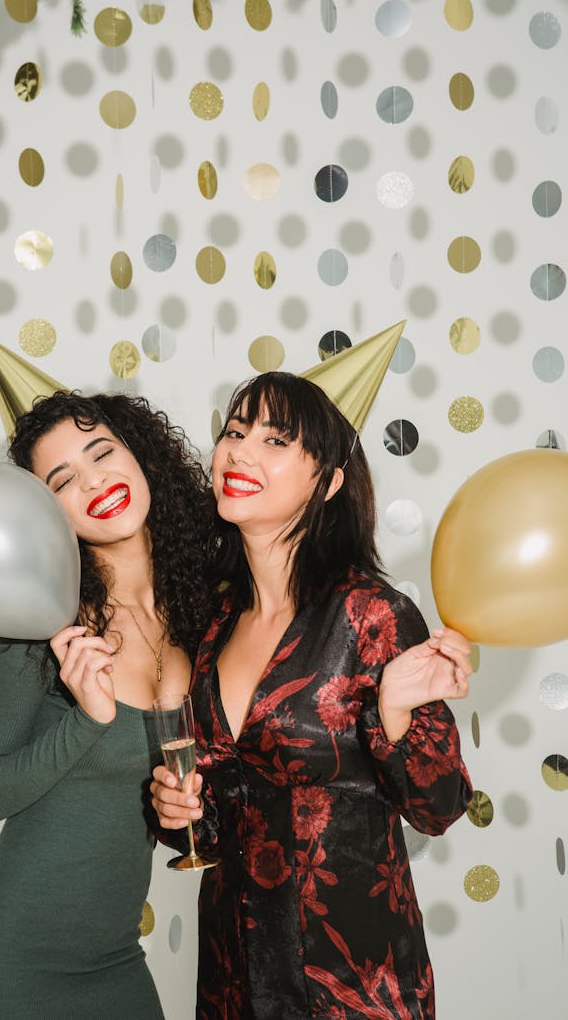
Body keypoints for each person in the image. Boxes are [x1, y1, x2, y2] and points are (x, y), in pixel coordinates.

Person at [151, 371, 474, 1020]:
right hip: (231, 980)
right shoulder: (212, 627)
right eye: (235, 433)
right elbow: (213, 826)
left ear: (327, 481)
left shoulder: (371, 614)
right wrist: (176, 810)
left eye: (275, 441)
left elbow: (440, 805)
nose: (240, 452)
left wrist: (395, 715)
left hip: (351, 982)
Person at [0, 390, 213, 1020]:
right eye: (63, 480)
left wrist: (179, 814)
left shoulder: (199, 610)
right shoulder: (45, 624)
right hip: (10, 960)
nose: (95, 481)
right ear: (45, 513)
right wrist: (86, 721)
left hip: (116, 959)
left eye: (102, 452)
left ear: (140, 456)